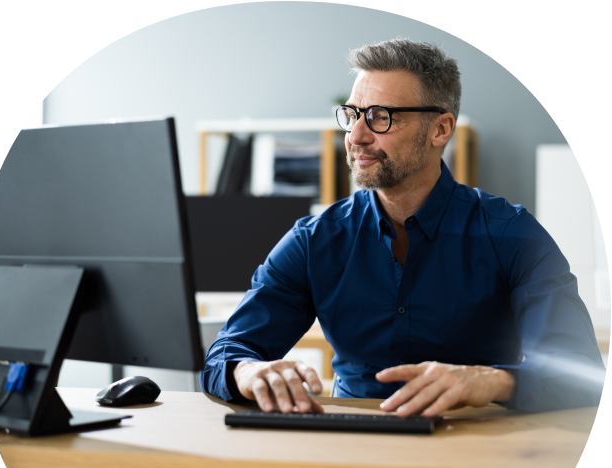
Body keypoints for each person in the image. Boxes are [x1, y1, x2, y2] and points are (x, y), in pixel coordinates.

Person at [199, 39, 605, 416]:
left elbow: (581, 375)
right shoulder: (313, 239)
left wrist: (491, 379)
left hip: (474, 444)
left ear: (441, 129)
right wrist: (247, 372)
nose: (356, 136)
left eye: (380, 118)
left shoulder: (513, 235)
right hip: (350, 446)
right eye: (353, 115)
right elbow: (225, 355)